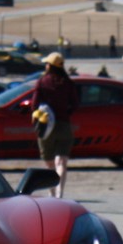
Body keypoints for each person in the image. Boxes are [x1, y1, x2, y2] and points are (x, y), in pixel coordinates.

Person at [29, 52, 78, 198]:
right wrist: (66, 113)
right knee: (62, 162)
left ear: (50, 66)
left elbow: (34, 105)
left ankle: (51, 193)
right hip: (64, 125)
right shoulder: (68, 83)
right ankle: (60, 193)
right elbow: (75, 104)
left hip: (46, 126)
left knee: (49, 163)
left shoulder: (42, 82)